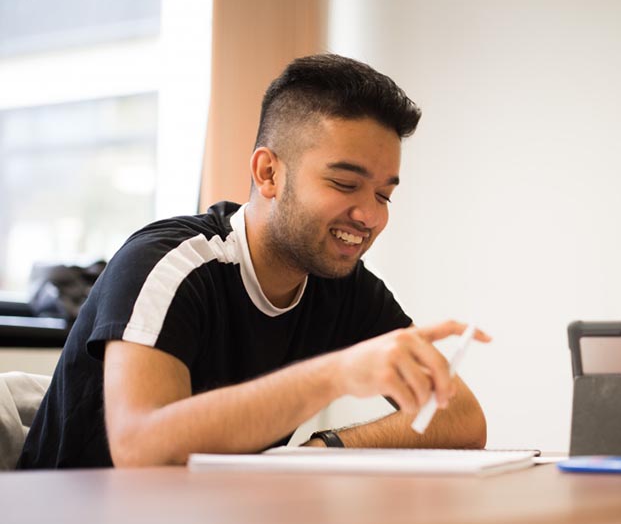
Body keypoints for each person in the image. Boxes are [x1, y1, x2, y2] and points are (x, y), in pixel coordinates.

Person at [18, 54, 488, 469]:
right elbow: (141, 449)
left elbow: (462, 418)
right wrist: (336, 373)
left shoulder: (342, 283)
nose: (369, 215)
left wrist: (325, 450)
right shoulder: (170, 265)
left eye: (384, 194)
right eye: (345, 185)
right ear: (268, 173)